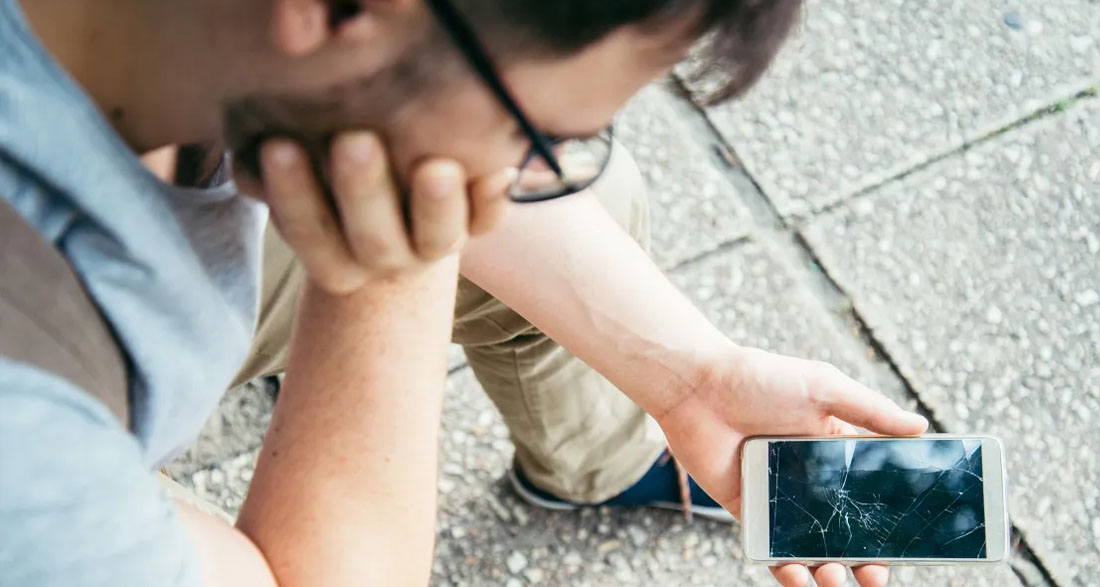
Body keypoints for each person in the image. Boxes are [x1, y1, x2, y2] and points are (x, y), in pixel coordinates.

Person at [0, 1, 930, 587]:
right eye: (536, 131)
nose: (530, 170)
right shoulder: (30, 443)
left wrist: (695, 377)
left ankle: (590, 465)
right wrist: (382, 265)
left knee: (593, 208)